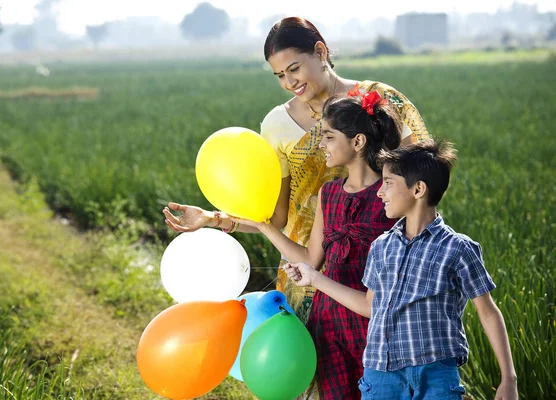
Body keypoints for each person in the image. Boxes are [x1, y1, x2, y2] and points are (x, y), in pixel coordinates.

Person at [163, 17, 428, 325]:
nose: (289, 83)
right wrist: (216, 219)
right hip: (306, 270)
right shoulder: (277, 125)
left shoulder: (376, 101)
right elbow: (275, 218)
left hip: (382, 264)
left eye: (294, 69)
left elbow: (421, 177)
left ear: (320, 52)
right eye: (279, 76)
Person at [285, 139, 518, 400]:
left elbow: (488, 312)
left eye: (388, 183)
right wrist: (314, 277)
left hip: (435, 376)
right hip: (380, 376)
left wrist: (508, 378)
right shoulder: (381, 247)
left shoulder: (458, 249)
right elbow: (369, 306)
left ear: (418, 189)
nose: (379, 192)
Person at [231, 91, 401, 399]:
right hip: (328, 326)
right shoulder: (329, 193)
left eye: (329, 137)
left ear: (358, 142)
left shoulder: (389, 196)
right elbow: (312, 258)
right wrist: (264, 226)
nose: (321, 144)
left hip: (378, 328)